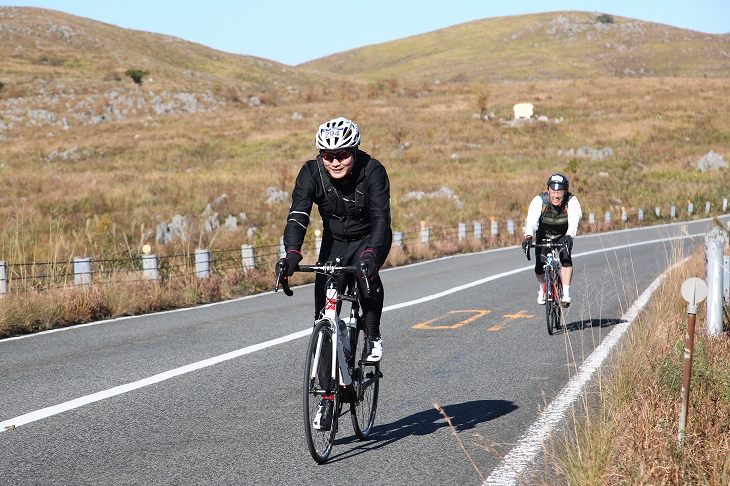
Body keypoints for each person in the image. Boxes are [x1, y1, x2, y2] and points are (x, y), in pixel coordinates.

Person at [277, 116, 392, 363]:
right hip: (335, 241)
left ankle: (372, 335)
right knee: (323, 312)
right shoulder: (311, 172)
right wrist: (292, 253)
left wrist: (372, 254)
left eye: (342, 154)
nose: (335, 162)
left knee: (365, 276)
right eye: (328, 156)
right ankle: (327, 390)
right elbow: (298, 215)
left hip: (370, 238)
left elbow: (381, 218)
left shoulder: (373, 171)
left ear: (354, 150)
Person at [521, 173, 582, 306]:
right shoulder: (540, 200)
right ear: (548, 190)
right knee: (539, 264)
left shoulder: (572, 201)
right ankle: (543, 288)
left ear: (565, 192)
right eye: (553, 191)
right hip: (544, 234)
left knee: (565, 258)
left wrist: (569, 236)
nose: (556, 195)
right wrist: (528, 237)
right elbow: (531, 221)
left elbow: (574, 221)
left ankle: (565, 294)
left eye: (559, 192)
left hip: (562, 235)